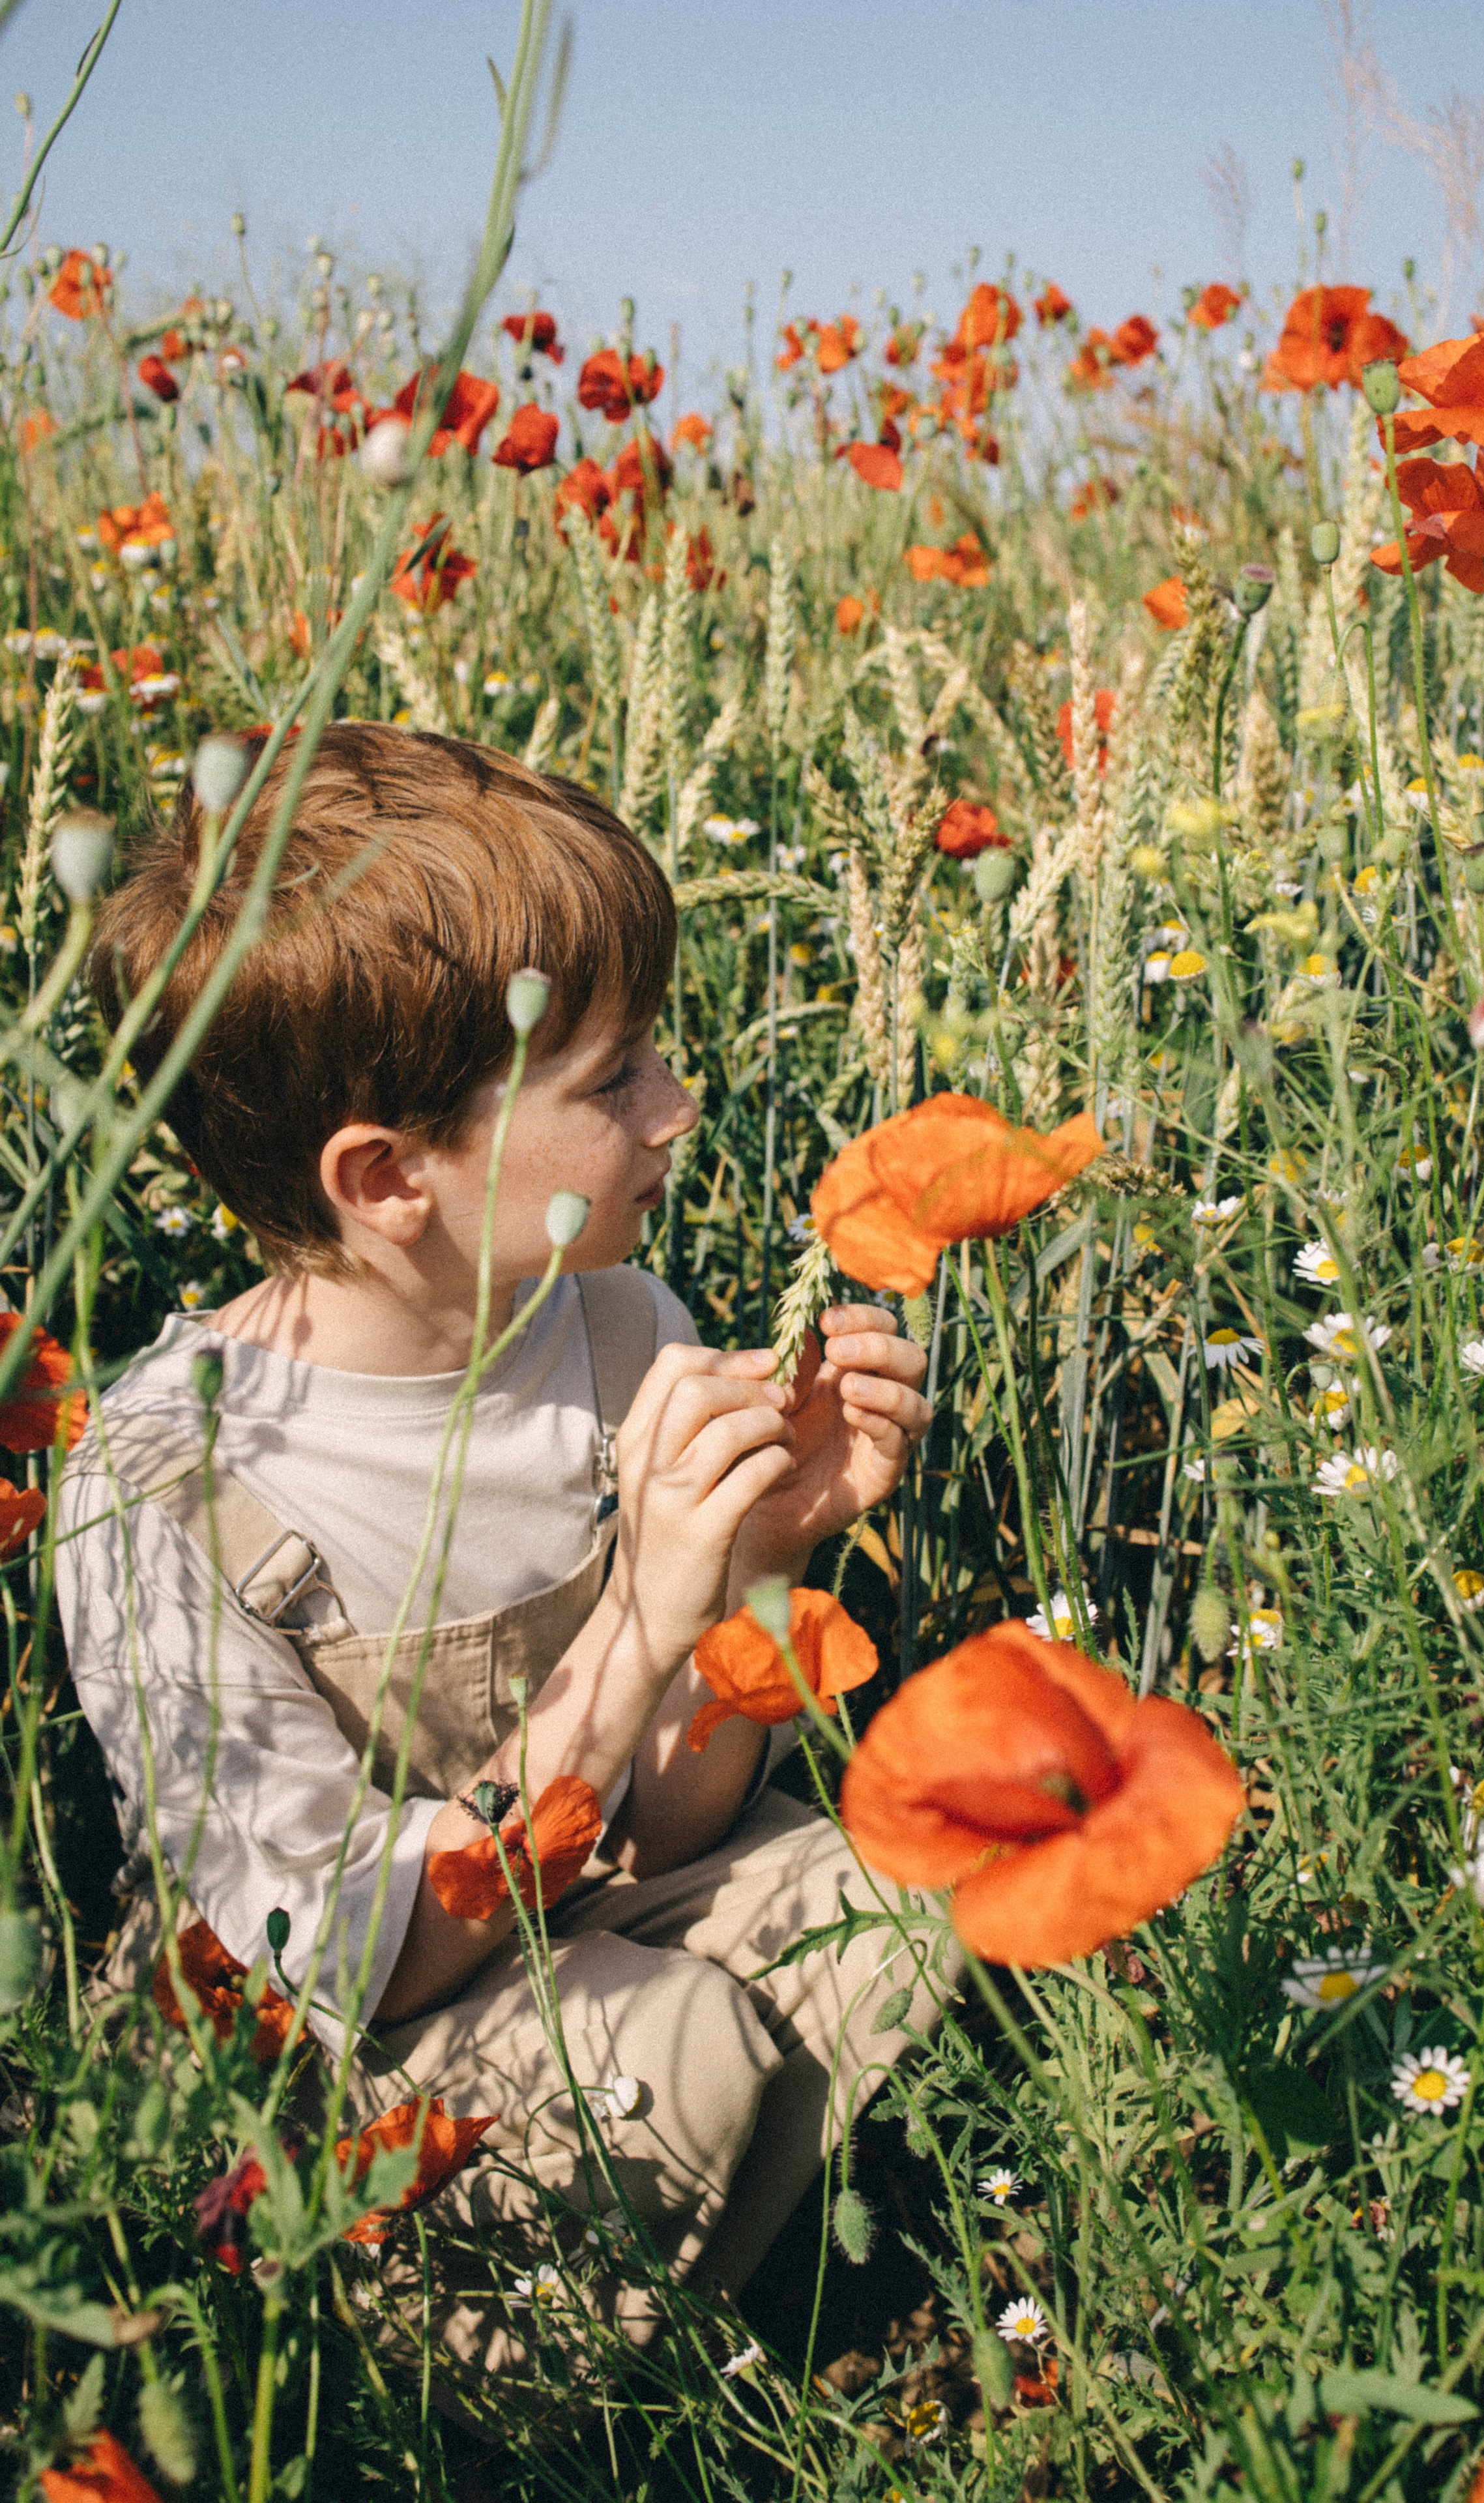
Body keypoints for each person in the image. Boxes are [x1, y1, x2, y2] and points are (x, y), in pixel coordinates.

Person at [56, 722, 938, 2405]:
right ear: (389, 1179)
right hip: (334, 2048)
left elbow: (680, 1823)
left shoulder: (615, 1328)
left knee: (898, 1891)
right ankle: (453, 2390)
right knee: (677, 2045)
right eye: (614, 1079)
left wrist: (758, 1555)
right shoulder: (164, 1483)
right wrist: (633, 1631)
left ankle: (713, 2303)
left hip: (586, 1901)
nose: (680, 1105)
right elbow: (353, 1964)